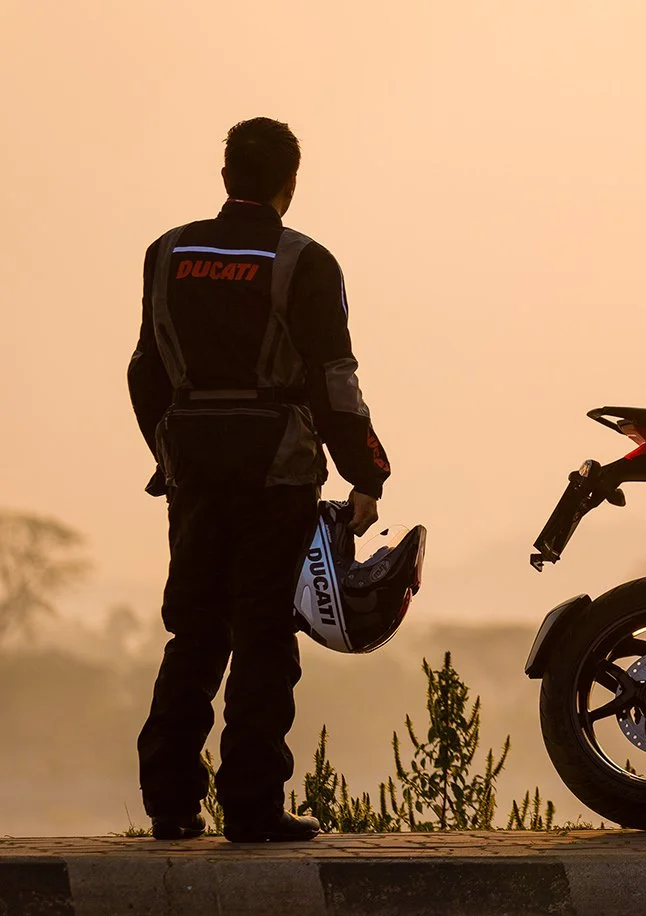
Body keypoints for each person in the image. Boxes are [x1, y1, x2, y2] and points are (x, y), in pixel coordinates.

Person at [127, 117, 391, 842]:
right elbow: (334, 381)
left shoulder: (167, 252)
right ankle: (252, 807)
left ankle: (170, 804)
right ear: (289, 183)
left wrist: (167, 451)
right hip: (277, 470)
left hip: (193, 468)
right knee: (266, 634)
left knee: (195, 630)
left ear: (225, 177)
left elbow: (145, 369)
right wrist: (367, 473)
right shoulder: (304, 261)